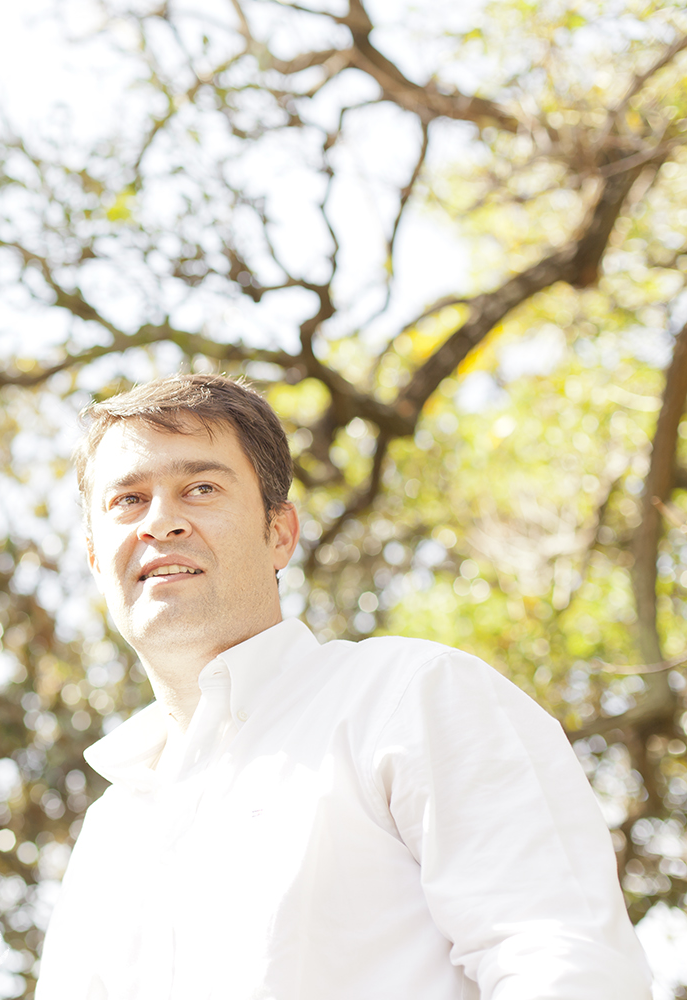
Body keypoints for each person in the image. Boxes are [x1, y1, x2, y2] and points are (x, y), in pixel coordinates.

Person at [34, 373, 653, 999]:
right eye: (127, 501)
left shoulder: (411, 697)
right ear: (93, 555)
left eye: (200, 488)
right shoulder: (111, 835)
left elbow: (562, 960)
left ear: (280, 532)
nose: (160, 523)